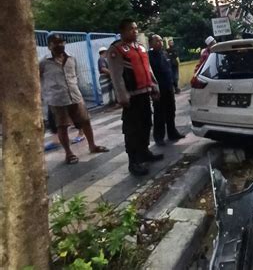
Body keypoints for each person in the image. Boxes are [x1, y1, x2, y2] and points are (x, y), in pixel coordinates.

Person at [39, 33, 108, 164]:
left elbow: (74, 75)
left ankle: (92, 145)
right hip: (57, 99)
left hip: (75, 96)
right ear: (49, 46)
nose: (59, 44)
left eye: (61, 42)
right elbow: (38, 78)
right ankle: (69, 153)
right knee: (62, 126)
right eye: (55, 42)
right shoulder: (43, 63)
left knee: (85, 121)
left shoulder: (72, 58)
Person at [107, 19, 163, 175]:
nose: (135, 31)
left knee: (146, 124)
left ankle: (144, 153)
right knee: (132, 129)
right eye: (131, 29)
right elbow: (116, 75)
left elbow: (148, 69)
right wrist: (122, 96)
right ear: (122, 31)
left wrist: (154, 86)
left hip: (145, 93)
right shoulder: (117, 49)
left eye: (136, 29)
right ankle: (134, 162)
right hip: (131, 97)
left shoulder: (140, 47)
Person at [149, 34, 185, 146]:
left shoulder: (164, 53)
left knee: (171, 111)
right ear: (150, 43)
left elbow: (169, 70)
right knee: (159, 114)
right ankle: (159, 137)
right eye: (157, 41)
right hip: (158, 89)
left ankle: (172, 132)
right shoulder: (149, 56)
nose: (160, 43)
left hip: (168, 87)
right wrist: (153, 89)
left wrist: (174, 85)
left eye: (160, 41)